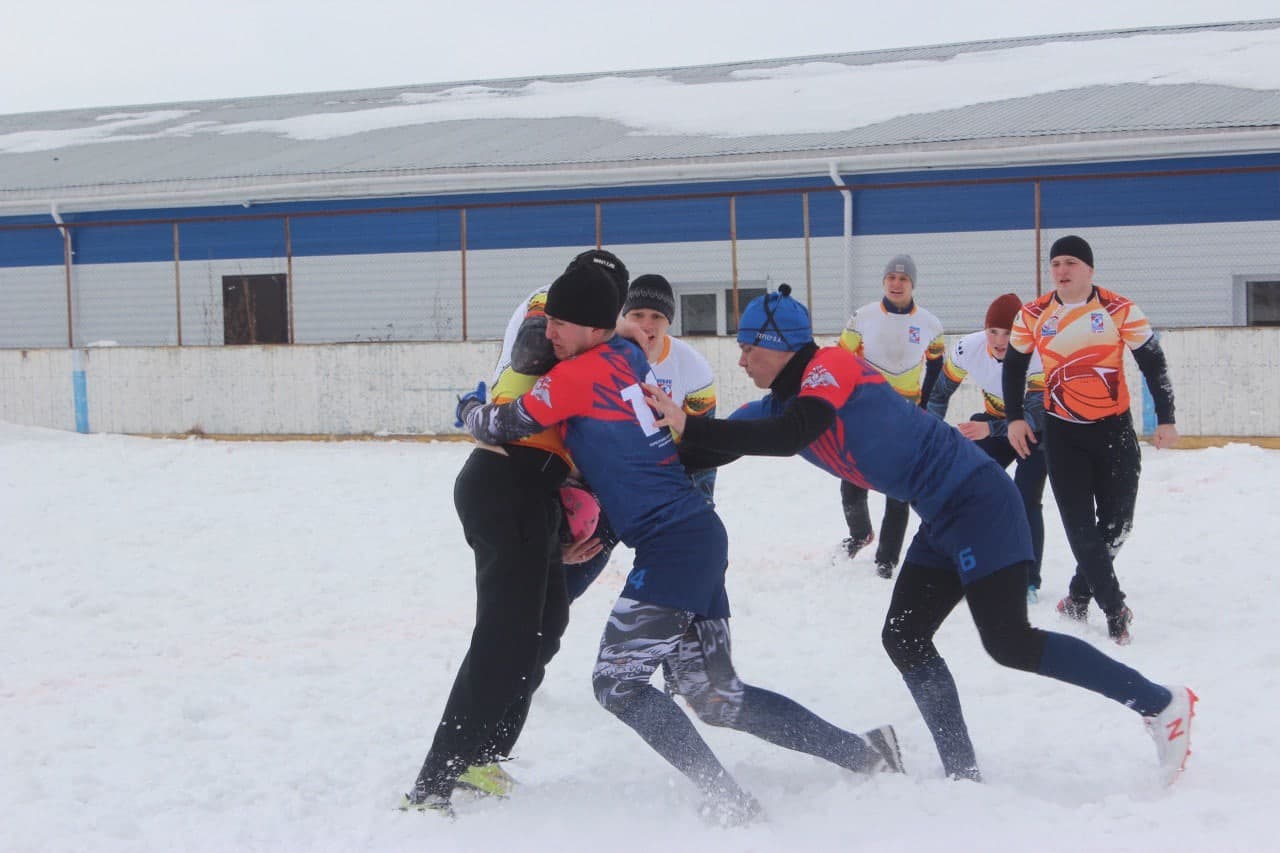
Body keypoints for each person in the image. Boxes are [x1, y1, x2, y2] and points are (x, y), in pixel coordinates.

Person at [645, 284, 1196, 786]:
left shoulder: (830, 368)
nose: (741, 359)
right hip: (942, 512)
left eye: (749, 347)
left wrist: (692, 423)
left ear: (783, 345)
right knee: (905, 638)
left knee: (1010, 642)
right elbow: (706, 449)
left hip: (979, 500)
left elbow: (793, 434)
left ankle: (1160, 704)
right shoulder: (775, 405)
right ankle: (963, 772)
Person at [458, 268, 903, 825]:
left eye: (560, 324)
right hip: (695, 536)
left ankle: (726, 797)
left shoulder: (576, 376)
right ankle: (867, 752)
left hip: (674, 545)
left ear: (594, 327)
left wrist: (467, 409)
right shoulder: (625, 358)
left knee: (617, 684)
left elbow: (502, 424)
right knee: (716, 695)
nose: (549, 333)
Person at [399, 249, 627, 816]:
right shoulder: (551, 320)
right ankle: (435, 781)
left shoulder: (596, 343)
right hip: (503, 481)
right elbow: (523, 388)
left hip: (535, 492)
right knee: (504, 638)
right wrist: (477, 409)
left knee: (545, 626)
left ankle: (482, 756)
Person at [1003, 235, 1179, 645]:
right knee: (1080, 525)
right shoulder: (1033, 314)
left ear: (1089, 269)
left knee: (1118, 525)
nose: (1062, 271)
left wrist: (1166, 418)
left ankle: (1078, 596)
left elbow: (1154, 363)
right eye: (1056, 264)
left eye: (1070, 263)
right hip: (1061, 432)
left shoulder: (1118, 309)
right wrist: (1013, 418)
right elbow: (1013, 367)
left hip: (1113, 429)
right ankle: (1114, 608)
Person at [564, 273, 718, 601]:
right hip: (602, 481)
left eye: (657, 317)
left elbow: (704, 441)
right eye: (637, 315)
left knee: (684, 575)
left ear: (669, 322)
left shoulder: (693, 369)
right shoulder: (598, 353)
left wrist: (703, 500)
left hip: (659, 485)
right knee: (569, 574)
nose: (647, 324)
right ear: (623, 318)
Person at [928, 293, 1049, 603]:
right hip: (995, 423)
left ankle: (1027, 580)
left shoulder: (1036, 352)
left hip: (1035, 430)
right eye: (993, 332)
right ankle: (968, 562)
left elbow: (1034, 418)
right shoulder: (968, 348)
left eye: (1008, 333)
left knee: (1025, 498)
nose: (999, 341)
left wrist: (988, 428)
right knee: (967, 488)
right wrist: (928, 435)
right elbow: (940, 395)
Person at [837, 254, 945, 578]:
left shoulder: (930, 323)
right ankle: (860, 534)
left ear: (913, 284)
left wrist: (925, 405)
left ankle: (887, 560)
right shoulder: (863, 317)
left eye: (903, 279)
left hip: (905, 415)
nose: (896, 284)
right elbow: (841, 359)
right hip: (866, 410)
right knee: (852, 483)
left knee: (899, 489)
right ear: (884, 281)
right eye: (891, 278)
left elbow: (937, 367)